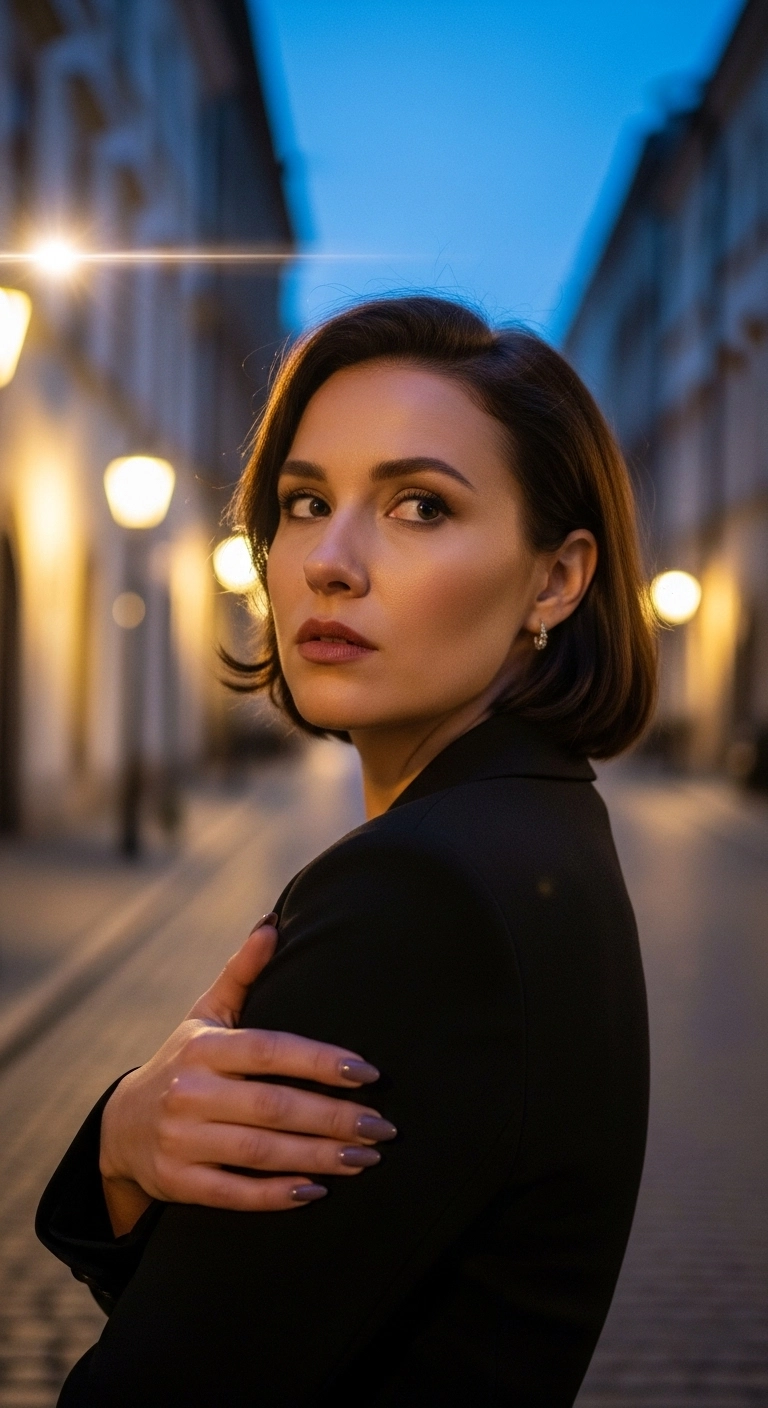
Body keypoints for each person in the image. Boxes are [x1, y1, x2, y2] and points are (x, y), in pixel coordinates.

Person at [37, 295, 655, 1407]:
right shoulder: (544, 823)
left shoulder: (420, 891)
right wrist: (127, 1136)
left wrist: (119, 1148)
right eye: (304, 500)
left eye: (420, 504)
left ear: (556, 578)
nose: (330, 559)